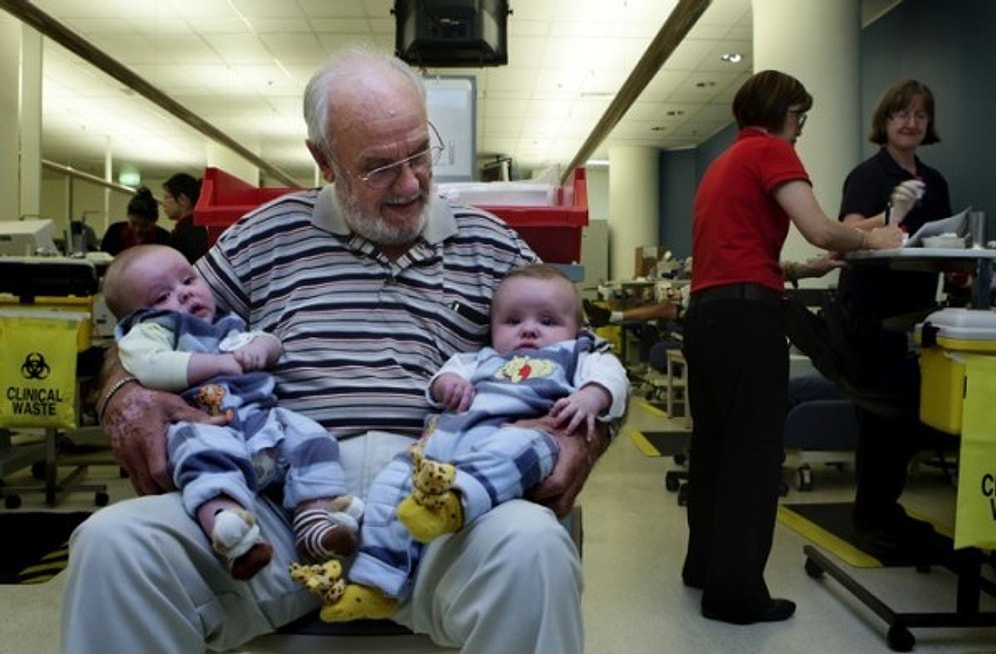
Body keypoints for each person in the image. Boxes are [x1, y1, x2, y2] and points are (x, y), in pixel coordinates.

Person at [62, 48, 604, 654]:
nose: (410, 182)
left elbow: (586, 354)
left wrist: (584, 432)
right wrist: (123, 391)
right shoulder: (264, 235)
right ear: (323, 160)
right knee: (113, 546)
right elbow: (148, 329)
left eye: (420, 153)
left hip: (439, 503)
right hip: (281, 500)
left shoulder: (492, 244)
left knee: (533, 548)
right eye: (378, 168)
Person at [680, 69, 903, 626]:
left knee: (714, 449)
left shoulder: (722, 164)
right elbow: (821, 229)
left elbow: (748, 249)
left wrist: (806, 268)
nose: (801, 127)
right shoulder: (771, 152)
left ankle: (704, 566)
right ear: (782, 112)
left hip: (707, 318)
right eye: (799, 115)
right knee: (754, 457)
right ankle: (735, 594)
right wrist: (870, 238)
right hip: (746, 322)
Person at [310, 263, 629, 621]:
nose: (529, 329)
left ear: (577, 329)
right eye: (512, 321)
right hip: (446, 442)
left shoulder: (579, 355)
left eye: (547, 322)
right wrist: (448, 385)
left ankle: (455, 504)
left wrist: (590, 397)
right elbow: (442, 378)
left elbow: (612, 378)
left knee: (513, 452)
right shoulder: (478, 359)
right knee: (391, 485)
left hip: (525, 434)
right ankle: (375, 585)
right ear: (492, 328)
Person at [100, 244, 363, 580]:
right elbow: (151, 365)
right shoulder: (153, 330)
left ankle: (314, 518)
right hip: (205, 420)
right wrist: (218, 363)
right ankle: (230, 530)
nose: (182, 295)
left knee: (310, 437)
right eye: (161, 296)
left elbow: (268, 340)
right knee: (204, 459)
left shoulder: (224, 323)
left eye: (187, 281)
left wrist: (261, 348)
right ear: (137, 314)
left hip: (262, 420)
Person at [836, 79, 952, 554]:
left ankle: (885, 509)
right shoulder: (868, 176)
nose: (911, 123)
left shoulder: (936, 181)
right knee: (882, 418)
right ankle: (872, 516)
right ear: (884, 122)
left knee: (904, 421)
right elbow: (844, 233)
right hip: (873, 318)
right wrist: (890, 214)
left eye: (920, 116)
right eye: (902, 114)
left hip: (918, 314)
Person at [100, 186, 171, 256]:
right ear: (127, 216)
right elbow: (102, 260)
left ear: (154, 221)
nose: (138, 229)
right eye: (133, 223)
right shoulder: (114, 232)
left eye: (145, 226)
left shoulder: (164, 238)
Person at [162, 172, 209, 263]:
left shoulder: (186, 233)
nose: (164, 203)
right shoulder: (198, 228)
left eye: (167, 197)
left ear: (182, 200)